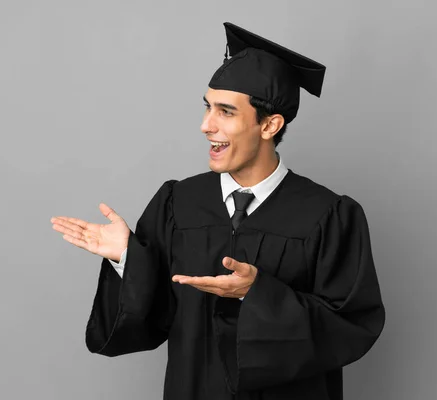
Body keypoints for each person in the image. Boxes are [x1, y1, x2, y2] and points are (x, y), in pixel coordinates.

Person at [51, 22, 385, 400]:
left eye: (225, 112)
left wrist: (257, 294)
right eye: (207, 108)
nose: (206, 125)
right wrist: (127, 258)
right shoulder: (178, 203)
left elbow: (351, 326)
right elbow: (154, 316)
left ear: (270, 124)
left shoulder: (328, 215)